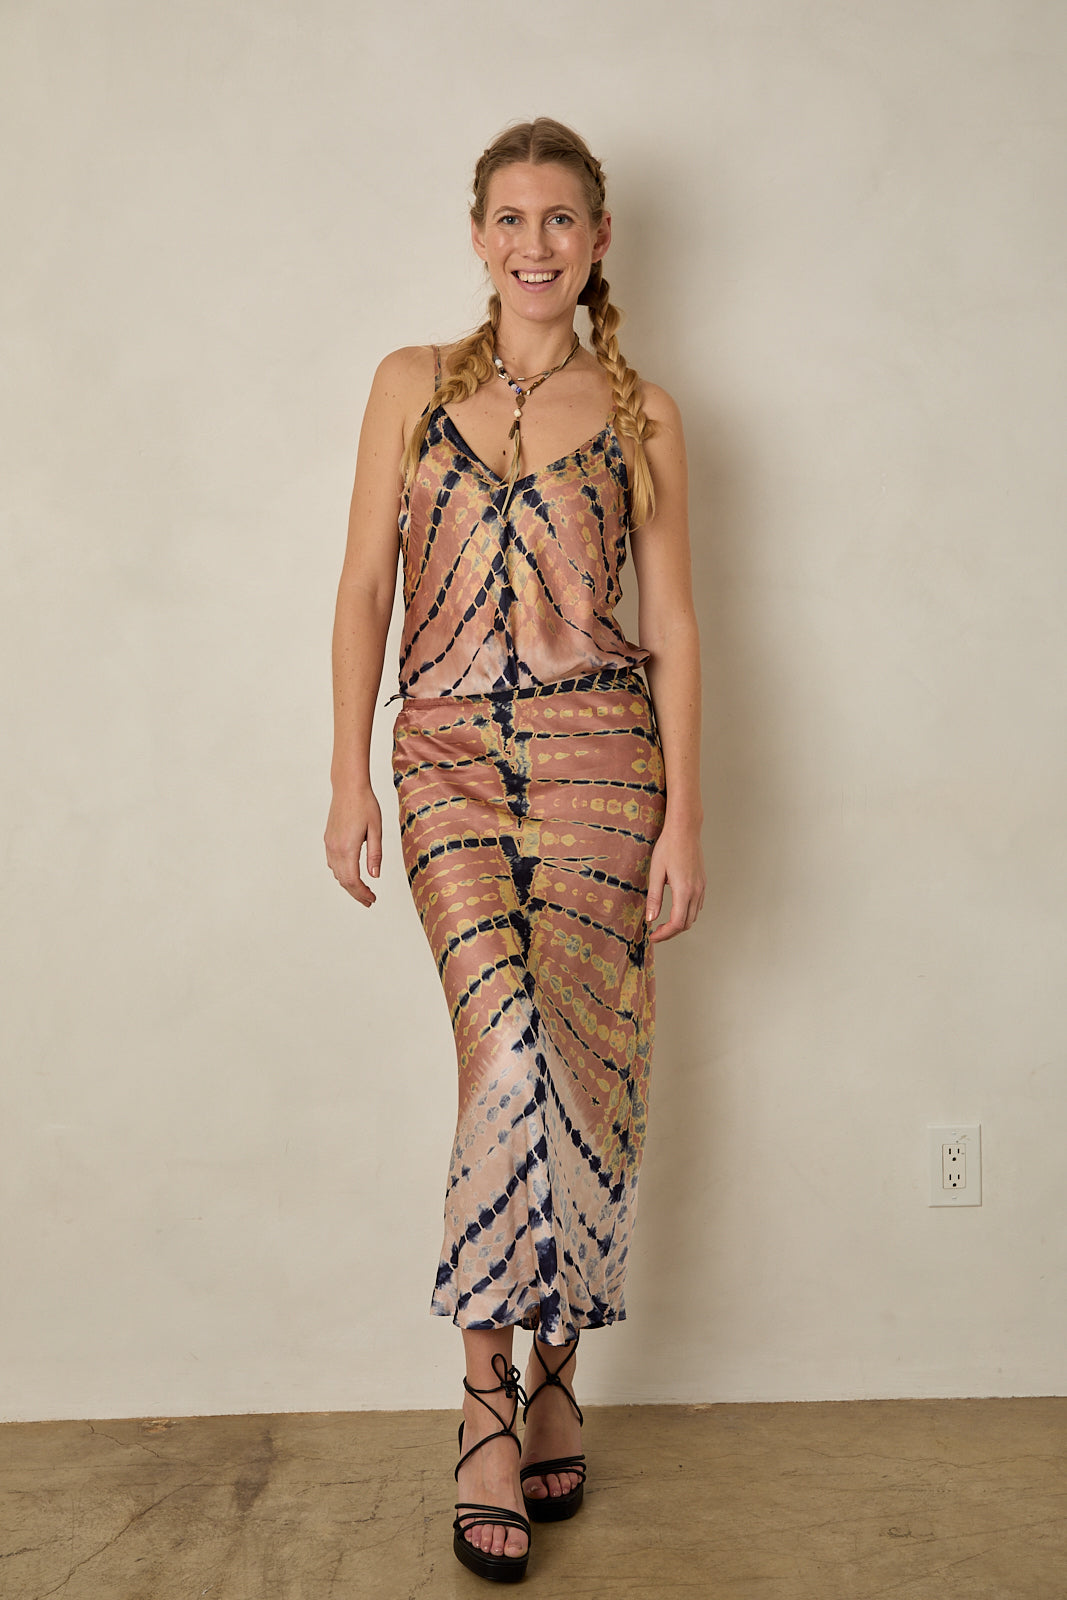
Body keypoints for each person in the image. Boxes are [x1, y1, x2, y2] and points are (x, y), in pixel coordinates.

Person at [325, 117, 705, 1584]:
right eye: (510, 218)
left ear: (597, 241)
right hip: (444, 766)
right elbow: (365, 584)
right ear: (477, 236)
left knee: (583, 1075)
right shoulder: (410, 384)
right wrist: (347, 775)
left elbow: (675, 628)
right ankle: (486, 1397)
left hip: (605, 765)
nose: (534, 243)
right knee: (504, 1053)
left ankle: (556, 1377)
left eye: (560, 220)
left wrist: (687, 815)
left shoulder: (646, 413)